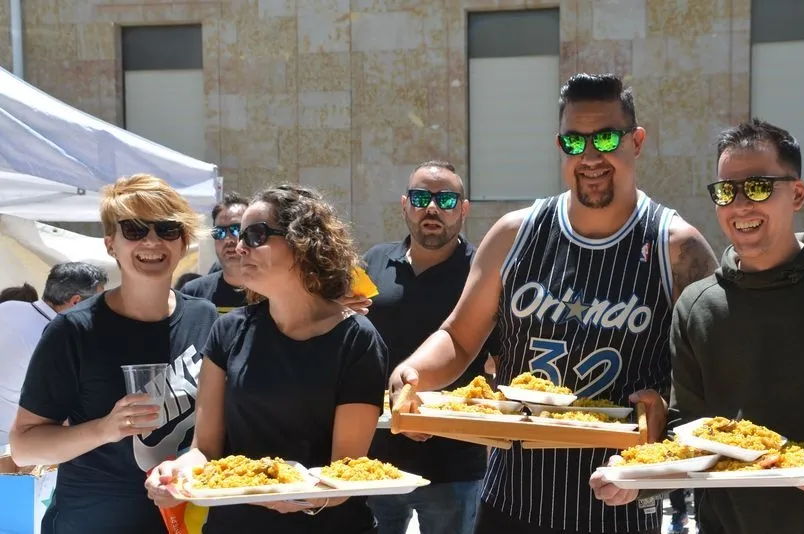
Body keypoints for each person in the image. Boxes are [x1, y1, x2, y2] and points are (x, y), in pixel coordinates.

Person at [389, 73, 719, 534]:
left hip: (620, 503)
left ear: (637, 141)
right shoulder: (514, 234)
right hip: (511, 500)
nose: (590, 156)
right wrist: (413, 373)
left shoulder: (676, 247)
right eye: (574, 141)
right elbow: (459, 338)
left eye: (606, 138)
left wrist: (667, 411)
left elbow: (713, 375)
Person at [591, 119, 804, 533]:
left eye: (757, 187)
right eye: (726, 191)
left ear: (797, 194)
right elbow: (691, 430)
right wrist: (639, 476)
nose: (740, 205)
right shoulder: (698, 306)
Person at [145, 184, 387, 534]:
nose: (239, 246)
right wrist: (176, 473)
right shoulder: (227, 331)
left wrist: (295, 497)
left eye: (255, 235)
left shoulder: (357, 339)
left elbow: (347, 470)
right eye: (237, 235)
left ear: (303, 242)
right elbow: (205, 450)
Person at [9, 174, 218, 533]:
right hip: (90, 523)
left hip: (182, 522)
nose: (151, 241)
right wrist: (105, 428)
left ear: (183, 242)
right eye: (134, 229)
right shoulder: (74, 330)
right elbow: (24, 447)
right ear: (111, 244)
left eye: (167, 229)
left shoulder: (205, 317)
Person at [364, 161, 499, 534]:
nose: (433, 208)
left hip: (454, 465)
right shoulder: (373, 262)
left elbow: (503, 364)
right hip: (377, 462)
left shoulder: (482, 274)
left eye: (446, 199)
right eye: (421, 198)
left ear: (464, 208)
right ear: (404, 205)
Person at [0, 262, 108, 446]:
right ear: (76, 302)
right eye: (98, 302)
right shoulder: (56, 339)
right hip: (10, 445)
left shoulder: (9, 307)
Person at [180, 192, 249, 314]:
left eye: (236, 229)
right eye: (219, 232)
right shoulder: (192, 294)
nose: (228, 240)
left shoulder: (272, 292)